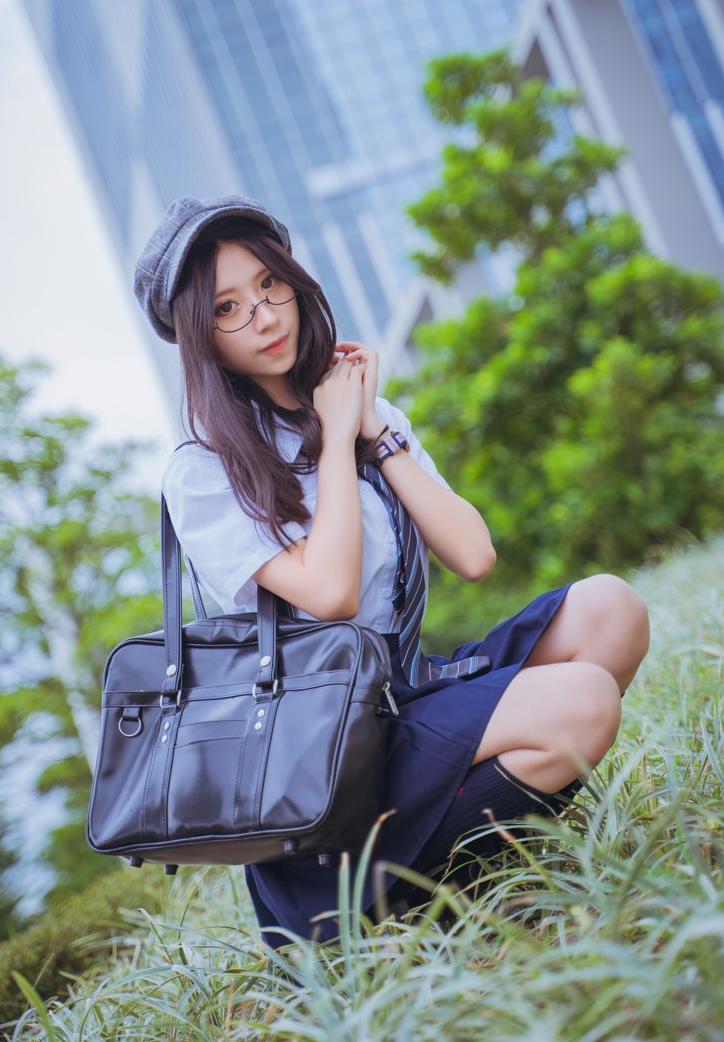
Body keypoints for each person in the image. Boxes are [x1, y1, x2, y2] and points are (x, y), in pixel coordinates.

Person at [133, 195, 650, 946]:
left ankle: (477, 856)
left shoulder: (368, 412)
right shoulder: (206, 470)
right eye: (229, 308)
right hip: (328, 763)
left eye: (270, 285)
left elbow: (473, 554)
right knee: (581, 699)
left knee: (611, 608)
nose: (267, 316)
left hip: (403, 701)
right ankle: (420, 896)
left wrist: (372, 429)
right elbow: (332, 593)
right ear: (199, 339)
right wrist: (338, 437)